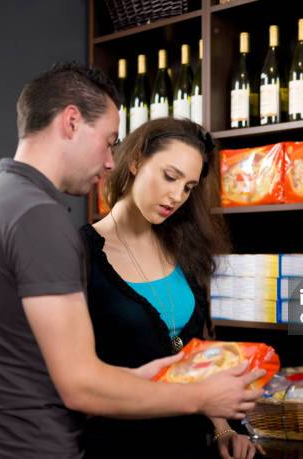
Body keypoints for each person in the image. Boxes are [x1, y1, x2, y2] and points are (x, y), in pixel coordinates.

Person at [0, 62, 265, 459]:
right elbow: (79, 384)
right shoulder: (40, 219)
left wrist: (152, 380)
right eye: (109, 140)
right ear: (72, 121)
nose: (110, 159)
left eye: (188, 187)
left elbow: (41, 367)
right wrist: (201, 397)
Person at [80, 117, 264, 459]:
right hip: (115, 447)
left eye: (189, 187)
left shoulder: (186, 248)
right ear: (135, 161)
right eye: (170, 176)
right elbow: (76, 380)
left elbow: (200, 360)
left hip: (191, 446)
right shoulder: (81, 254)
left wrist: (224, 429)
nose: (177, 196)